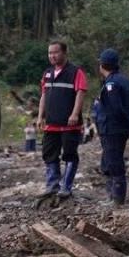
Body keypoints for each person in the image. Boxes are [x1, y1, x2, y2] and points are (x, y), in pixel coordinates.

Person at [37, 40, 88, 200]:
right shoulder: (47, 73)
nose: (52, 56)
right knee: (49, 153)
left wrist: (74, 114)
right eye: (50, 53)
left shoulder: (76, 72)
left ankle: (66, 187)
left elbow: (80, 93)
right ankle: (52, 185)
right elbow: (44, 95)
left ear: (64, 53)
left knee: (70, 154)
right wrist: (40, 116)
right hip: (51, 124)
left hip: (69, 124)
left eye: (55, 52)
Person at [93, 48, 129, 206]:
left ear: (103, 65)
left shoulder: (112, 84)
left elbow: (116, 109)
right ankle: (111, 196)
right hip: (114, 129)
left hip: (112, 129)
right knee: (107, 162)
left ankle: (117, 199)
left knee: (114, 163)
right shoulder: (123, 80)